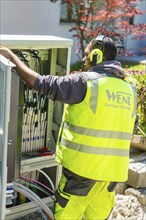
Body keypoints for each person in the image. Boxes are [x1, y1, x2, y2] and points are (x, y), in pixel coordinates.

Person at [0, 35, 137, 220]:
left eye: (87, 54)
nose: (83, 59)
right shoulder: (130, 91)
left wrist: (11, 57)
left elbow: (42, 84)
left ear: (96, 55)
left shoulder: (86, 82)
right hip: (110, 178)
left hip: (81, 176)